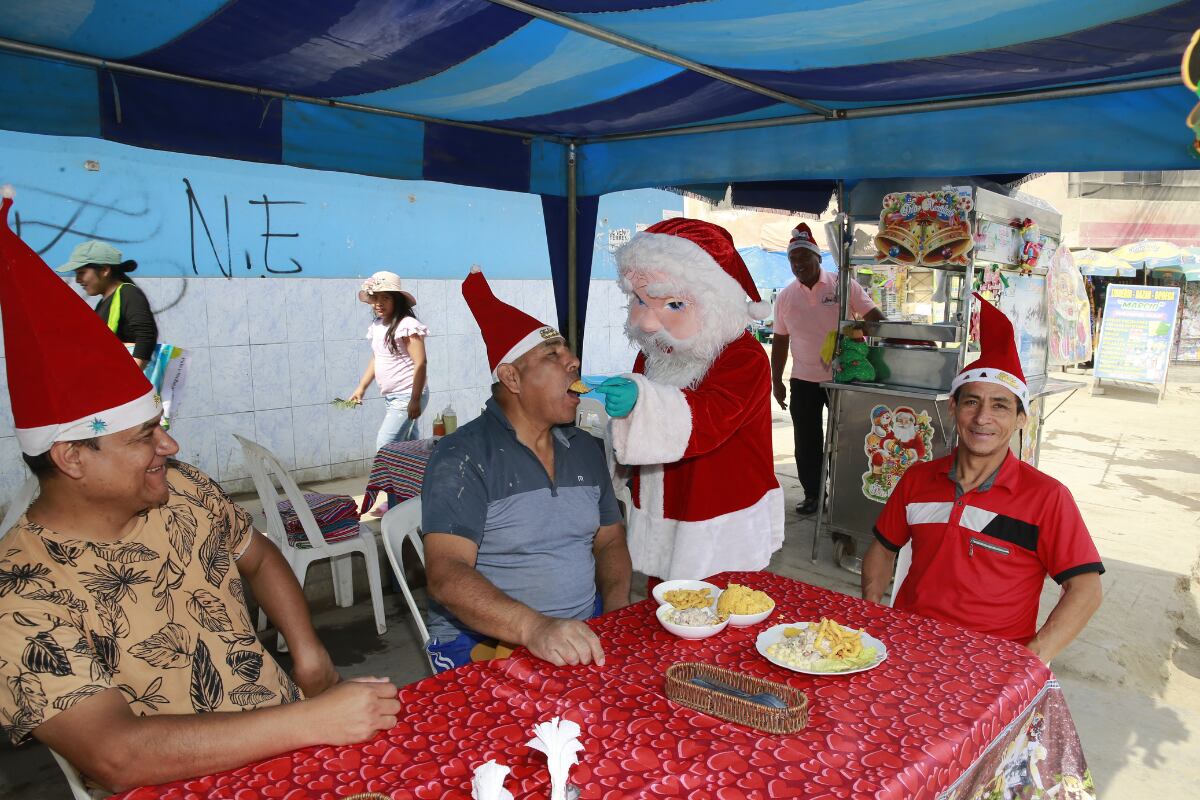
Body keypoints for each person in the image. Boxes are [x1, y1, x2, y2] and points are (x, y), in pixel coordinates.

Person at [0, 192, 400, 793]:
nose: (172, 448)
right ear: (71, 457)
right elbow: (116, 757)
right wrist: (309, 719)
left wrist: (308, 649)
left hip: (293, 739)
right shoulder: (21, 590)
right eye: (145, 437)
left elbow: (260, 556)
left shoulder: (180, 493)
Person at [862, 294, 1104, 663]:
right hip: (906, 646)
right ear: (953, 408)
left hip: (991, 663)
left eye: (1001, 405)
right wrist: (872, 614)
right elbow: (882, 548)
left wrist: (1032, 658)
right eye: (972, 402)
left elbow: (1086, 588)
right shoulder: (917, 480)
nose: (983, 418)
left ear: (1022, 419)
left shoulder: (1047, 498)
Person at [419, 267, 631, 672]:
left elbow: (609, 541)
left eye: (568, 353)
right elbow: (446, 573)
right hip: (489, 644)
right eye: (552, 356)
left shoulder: (586, 449)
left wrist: (617, 611)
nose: (573, 362)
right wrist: (534, 628)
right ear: (511, 377)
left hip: (583, 632)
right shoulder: (462, 456)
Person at [592, 218, 784, 582]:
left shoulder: (743, 356)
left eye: (674, 304)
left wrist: (643, 403)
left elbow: (712, 417)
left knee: (720, 607)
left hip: (718, 514)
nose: (647, 324)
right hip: (662, 503)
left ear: (716, 303)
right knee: (661, 601)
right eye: (639, 301)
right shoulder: (656, 352)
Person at [771, 223, 884, 515]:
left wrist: (855, 329)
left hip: (843, 378)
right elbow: (781, 341)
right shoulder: (785, 297)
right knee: (806, 442)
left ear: (818, 258)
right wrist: (777, 381)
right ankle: (813, 495)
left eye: (804, 258)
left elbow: (876, 317)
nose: (798, 265)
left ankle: (845, 495)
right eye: (793, 260)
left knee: (845, 439)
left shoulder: (842, 285)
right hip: (803, 380)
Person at [348, 271, 430, 449]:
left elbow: (421, 363)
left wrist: (415, 399)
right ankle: (416, 476)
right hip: (393, 397)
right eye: (375, 297)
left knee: (385, 446)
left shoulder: (407, 325)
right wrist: (361, 388)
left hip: (408, 395)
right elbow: (377, 359)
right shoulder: (377, 326)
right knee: (409, 446)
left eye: (385, 298)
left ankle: (385, 477)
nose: (379, 303)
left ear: (397, 300)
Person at [57, 240, 158, 369]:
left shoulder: (128, 293)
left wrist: (132, 376)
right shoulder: (104, 302)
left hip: (129, 382)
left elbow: (146, 335)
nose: (77, 280)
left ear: (105, 270)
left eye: (81, 273)